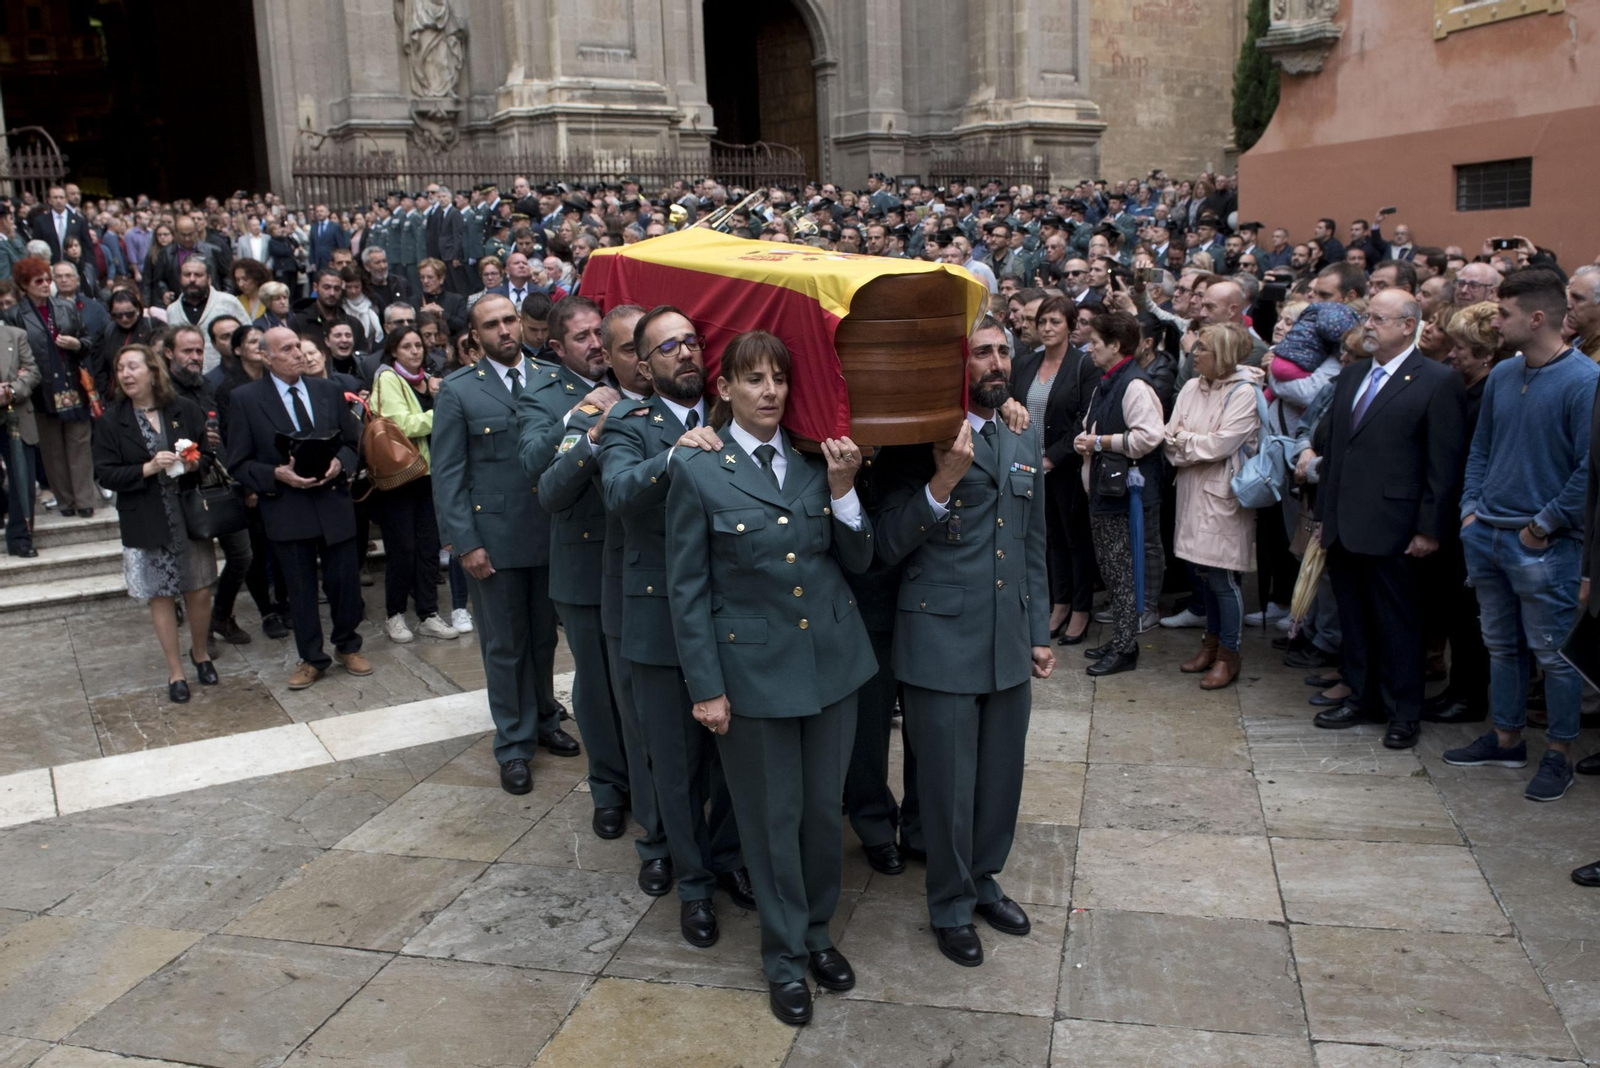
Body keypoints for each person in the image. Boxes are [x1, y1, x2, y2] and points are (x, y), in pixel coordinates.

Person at [664, 330, 874, 1025]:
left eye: (778, 379)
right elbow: (687, 591)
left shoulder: (818, 461)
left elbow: (859, 558)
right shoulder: (699, 470)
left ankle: (816, 932)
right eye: (753, 379)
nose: (769, 392)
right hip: (751, 676)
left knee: (820, 815)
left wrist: (844, 493)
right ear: (724, 388)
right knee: (770, 820)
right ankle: (783, 957)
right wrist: (706, 687)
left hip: (831, 670)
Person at [874, 314, 1053, 969]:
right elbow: (886, 541)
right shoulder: (916, 437)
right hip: (939, 636)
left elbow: (1032, 543)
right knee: (948, 785)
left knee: (1001, 778)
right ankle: (949, 903)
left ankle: (984, 880)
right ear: (958, 363)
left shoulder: (1018, 435)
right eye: (982, 352)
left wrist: (1038, 632)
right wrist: (942, 479)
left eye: (1004, 350)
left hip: (1007, 634)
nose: (997, 362)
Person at [598, 304, 750, 950]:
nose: (685, 354)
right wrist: (675, 456)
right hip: (659, 618)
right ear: (642, 364)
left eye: (691, 342)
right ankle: (693, 886)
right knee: (678, 763)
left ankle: (728, 858)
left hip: (730, 617)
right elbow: (620, 491)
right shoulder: (630, 425)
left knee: (734, 758)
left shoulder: (733, 415)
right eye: (667, 348)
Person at [1447, 270, 1598, 799]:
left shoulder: (1584, 381)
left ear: (1537, 318)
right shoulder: (1505, 374)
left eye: (1504, 312)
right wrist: (1471, 512)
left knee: (1553, 655)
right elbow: (1481, 449)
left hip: (1544, 544)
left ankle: (1559, 753)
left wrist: (1543, 526)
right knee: (1501, 646)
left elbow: (1589, 470)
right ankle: (1506, 737)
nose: (1495, 320)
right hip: (1487, 535)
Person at [432, 295, 579, 797]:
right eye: (490, 325)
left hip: (549, 530)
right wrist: (463, 542)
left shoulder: (550, 375)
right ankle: (513, 743)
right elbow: (448, 475)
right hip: (493, 539)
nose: (504, 330)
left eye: (509, 320)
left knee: (543, 638)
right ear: (475, 336)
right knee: (504, 645)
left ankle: (543, 717)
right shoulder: (458, 391)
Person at [1313, 288, 1466, 749]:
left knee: (1398, 625)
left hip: (1396, 528)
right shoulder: (1354, 374)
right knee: (1355, 620)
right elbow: (1337, 451)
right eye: (1367, 318)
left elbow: (1444, 463)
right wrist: (1324, 516)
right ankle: (1362, 698)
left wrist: (1429, 528)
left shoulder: (1437, 380)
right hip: (1344, 523)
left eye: (1379, 318)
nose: (1369, 326)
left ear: (1408, 326)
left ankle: (1404, 712)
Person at [517, 296, 633, 839]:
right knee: (598, 685)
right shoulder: (544, 394)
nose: (595, 345)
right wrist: (581, 415)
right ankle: (609, 786)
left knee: (636, 681)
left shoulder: (634, 380)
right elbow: (532, 461)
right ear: (558, 348)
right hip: (584, 562)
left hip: (637, 557)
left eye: (599, 335)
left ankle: (648, 775)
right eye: (583, 338)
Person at [224, 326, 370, 690]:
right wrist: (276, 475)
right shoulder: (245, 399)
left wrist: (342, 463)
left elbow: (353, 443)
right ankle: (312, 658)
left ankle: (347, 645)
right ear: (266, 357)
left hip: (332, 500)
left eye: (299, 347)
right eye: (287, 349)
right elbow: (238, 463)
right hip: (287, 505)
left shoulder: (328, 390)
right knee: (300, 587)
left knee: (344, 580)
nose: (298, 354)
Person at [92, 344, 218, 703]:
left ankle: (200, 653)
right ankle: (175, 672)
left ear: (153, 371)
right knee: (160, 595)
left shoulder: (183, 410)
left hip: (186, 515)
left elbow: (207, 456)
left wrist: (191, 463)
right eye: (120, 369)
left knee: (198, 589)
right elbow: (105, 473)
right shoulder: (111, 421)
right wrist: (146, 468)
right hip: (145, 517)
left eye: (133, 366)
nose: (126, 375)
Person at [1164, 323, 1263, 689]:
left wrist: (1185, 443)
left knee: (1222, 577)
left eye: (1202, 348)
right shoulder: (1191, 386)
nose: (1194, 353)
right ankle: (1210, 642)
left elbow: (1220, 445)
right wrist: (1189, 444)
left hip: (1223, 495)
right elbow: (1167, 438)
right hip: (1191, 491)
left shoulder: (1245, 392)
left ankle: (1229, 654)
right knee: (1201, 575)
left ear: (1221, 355)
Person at [1419, 302, 1500, 726]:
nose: (1453, 354)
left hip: (1471, 522)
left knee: (1468, 618)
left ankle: (1469, 698)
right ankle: (1458, 690)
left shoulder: (1487, 396)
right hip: (1455, 517)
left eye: (1463, 348)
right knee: (1455, 612)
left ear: (1487, 354)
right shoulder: (1467, 391)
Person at [1076, 310, 1165, 676]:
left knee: (1124, 572)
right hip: (1105, 492)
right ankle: (1121, 638)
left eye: (1096, 343)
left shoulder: (1134, 385)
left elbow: (1149, 436)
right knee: (1114, 572)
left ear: (1116, 345)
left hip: (1124, 496)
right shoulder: (1108, 381)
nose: (1089, 348)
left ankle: (1127, 647)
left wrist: (1098, 441)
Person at [1008, 294, 1098, 645]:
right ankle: (1058, 605)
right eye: (1041, 321)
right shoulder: (1028, 363)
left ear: (1071, 326)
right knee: (1048, 541)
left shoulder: (1083, 365)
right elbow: (1013, 405)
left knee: (1076, 540)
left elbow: (1085, 418)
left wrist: (1052, 458)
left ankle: (1080, 609)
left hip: (1067, 468)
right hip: (1029, 467)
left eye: (1054, 322)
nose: (1046, 328)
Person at [370, 325, 457, 644]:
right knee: (402, 549)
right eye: (406, 346)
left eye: (418, 345)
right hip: (399, 477)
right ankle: (395, 615)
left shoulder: (427, 381)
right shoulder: (387, 378)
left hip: (427, 475)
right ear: (393, 350)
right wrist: (443, 411)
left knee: (428, 547)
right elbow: (401, 425)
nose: (415, 350)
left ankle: (428, 614)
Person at [7, 257, 97, 517]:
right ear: (24, 285)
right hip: (40, 388)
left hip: (72, 383)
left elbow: (88, 340)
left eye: (48, 279)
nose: (47, 284)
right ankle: (66, 501)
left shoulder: (66, 308)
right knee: (52, 448)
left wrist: (76, 344)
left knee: (79, 442)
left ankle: (84, 499)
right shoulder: (15, 314)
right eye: (39, 281)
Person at [164, 258, 250, 373]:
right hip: (186, 379)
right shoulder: (172, 310)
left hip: (228, 375)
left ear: (209, 279)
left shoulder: (228, 302)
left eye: (198, 275)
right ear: (180, 278)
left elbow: (249, 335)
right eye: (187, 275)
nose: (192, 279)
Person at [0, 317, 39, 557]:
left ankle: (20, 537)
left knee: (22, 477)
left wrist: (11, 389)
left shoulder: (15, 336)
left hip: (15, 416)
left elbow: (33, 372)